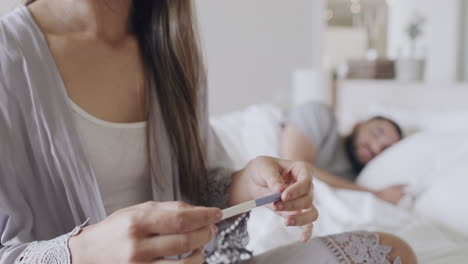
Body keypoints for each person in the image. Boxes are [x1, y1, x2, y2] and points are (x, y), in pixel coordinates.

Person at [0, 1, 416, 263]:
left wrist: (246, 186)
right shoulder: (8, 57)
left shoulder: (171, 51)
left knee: (388, 252)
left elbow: (198, 190)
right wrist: (84, 252)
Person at [281, 102, 406, 204]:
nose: (376, 147)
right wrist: (377, 195)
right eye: (376, 134)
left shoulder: (355, 180)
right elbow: (293, 170)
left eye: (385, 149)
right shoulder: (321, 115)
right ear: (357, 126)